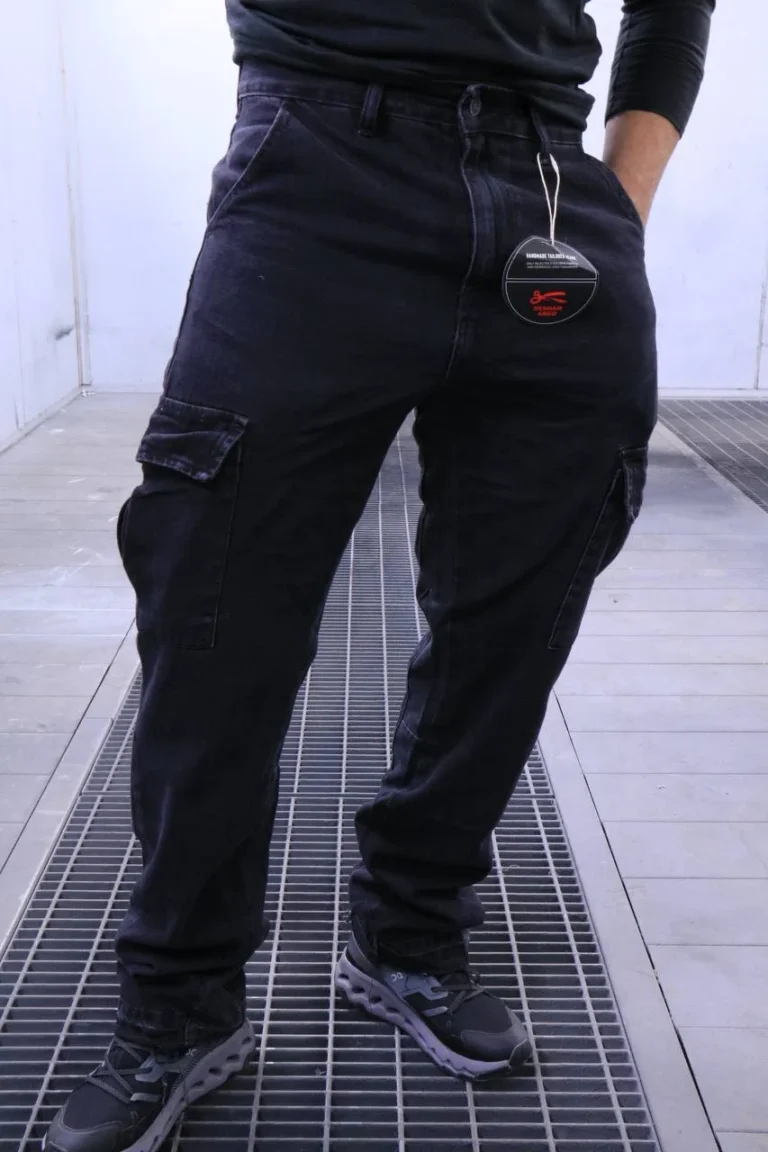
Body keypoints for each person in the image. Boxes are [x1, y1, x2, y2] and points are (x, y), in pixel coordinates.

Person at [45, 1, 715, 1148]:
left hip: (551, 181)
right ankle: (180, 991)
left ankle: (410, 925)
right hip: (317, 169)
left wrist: (622, 201)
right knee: (213, 602)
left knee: (516, 611)